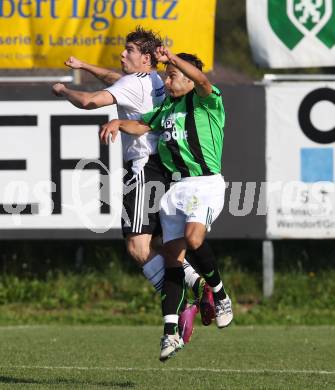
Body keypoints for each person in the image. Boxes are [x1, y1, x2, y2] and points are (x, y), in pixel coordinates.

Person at [52, 27, 215, 342]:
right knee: (161, 245)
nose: (122, 54)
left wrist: (63, 90)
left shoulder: (134, 82)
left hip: (142, 169)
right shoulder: (158, 79)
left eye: (129, 50)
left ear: (146, 58)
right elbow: (117, 80)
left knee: (137, 247)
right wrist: (85, 66)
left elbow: (88, 101)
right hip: (168, 169)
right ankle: (201, 286)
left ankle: (185, 297)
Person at [99, 47, 234, 361]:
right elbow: (144, 126)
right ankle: (170, 333)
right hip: (177, 189)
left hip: (205, 182)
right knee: (174, 261)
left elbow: (201, 79)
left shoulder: (205, 100)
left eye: (172, 75)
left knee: (193, 238)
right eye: (168, 74)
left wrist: (174, 59)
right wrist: (119, 124)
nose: (168, 80)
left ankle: (220, 293)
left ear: (187, 79)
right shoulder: (168, 108)